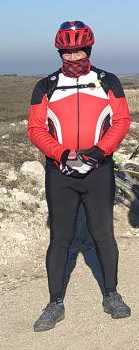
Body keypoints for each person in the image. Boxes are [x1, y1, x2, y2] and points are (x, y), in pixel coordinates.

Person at [28, 21, 132, 331]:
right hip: (60, 171)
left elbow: (122, 121)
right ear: (59, 53)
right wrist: (62, 154)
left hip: (98, 169)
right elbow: (35, 128)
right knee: (60, 238)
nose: (73, 58)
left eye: (79, 51)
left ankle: (112, 294)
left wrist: (98, 152)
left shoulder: (107, 81)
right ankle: (54, 303)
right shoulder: (45, 86)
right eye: (67, 53)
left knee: (103, 234)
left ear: (89, 50)